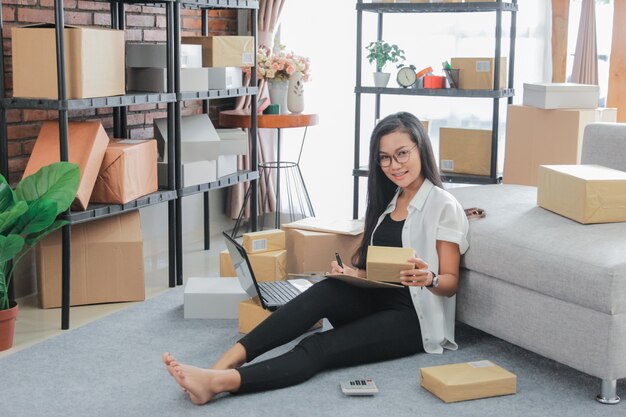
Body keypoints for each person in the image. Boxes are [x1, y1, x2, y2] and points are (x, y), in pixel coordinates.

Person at [163, 111, 469, 405]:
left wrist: (430, 278)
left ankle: (220, 383)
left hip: (414, 320)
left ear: (420, 149)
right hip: (382, 299)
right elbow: (386, 272)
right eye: (385, 158)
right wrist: (353, 274)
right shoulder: (390, 198)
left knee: (318, 345)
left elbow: (450, 283)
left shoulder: (444, 205)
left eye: (402, 153)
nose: (394, 165)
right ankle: (218, 367)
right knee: (324, 290)